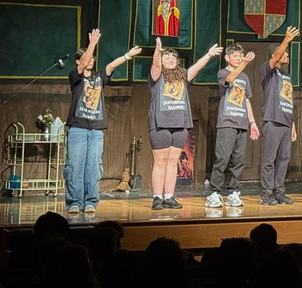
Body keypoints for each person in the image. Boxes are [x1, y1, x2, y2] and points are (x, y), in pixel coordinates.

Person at [64, 28, 140, 214]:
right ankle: (74, 202)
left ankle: (90, 201)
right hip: (78, 128)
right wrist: (92, 44)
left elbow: (112, 66)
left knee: (93, 167)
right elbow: (82, 66)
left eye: (92, 58)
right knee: (75, 166)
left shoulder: (99, 77)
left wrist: (127, 56)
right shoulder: (75, 77)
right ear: (78, 61)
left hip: (96, 129)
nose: (91, 60)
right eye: (87, 58)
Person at [149, 36, 222, 210]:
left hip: (180, 124)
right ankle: (157, 197)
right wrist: (157, 51)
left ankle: (169, 196)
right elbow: (156, 65)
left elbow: (196, 68)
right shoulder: (156, 77)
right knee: (160, 161)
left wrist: (209, 55)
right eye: (166, 57)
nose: (170, 59)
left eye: (173, 58)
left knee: (173, 160)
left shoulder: (182, 76)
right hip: (160, 123)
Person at [206, 44, 259, 209]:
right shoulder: (223, 72)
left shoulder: (245, 77)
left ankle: (233, 192)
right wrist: (245, 63)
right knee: (222, 158)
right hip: (227, 122)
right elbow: (229, 80)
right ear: (227, 57)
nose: (239, 58)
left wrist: (252, 122)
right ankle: (214, 192)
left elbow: (247, 100)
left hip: (242, 122)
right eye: (235, 56)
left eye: (240, 55)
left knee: (238, 160)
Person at [259, 26, 301, 205]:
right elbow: (276, 56)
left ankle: (279, 191)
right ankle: (266, 193)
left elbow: (288, 101)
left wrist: (293, 125)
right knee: (269, 159)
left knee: (283, 159)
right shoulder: (266, 71)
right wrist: (286, 40)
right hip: (272, 121)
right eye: (285, 52)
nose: (287, 55)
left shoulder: (286, 75)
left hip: (285, 122)